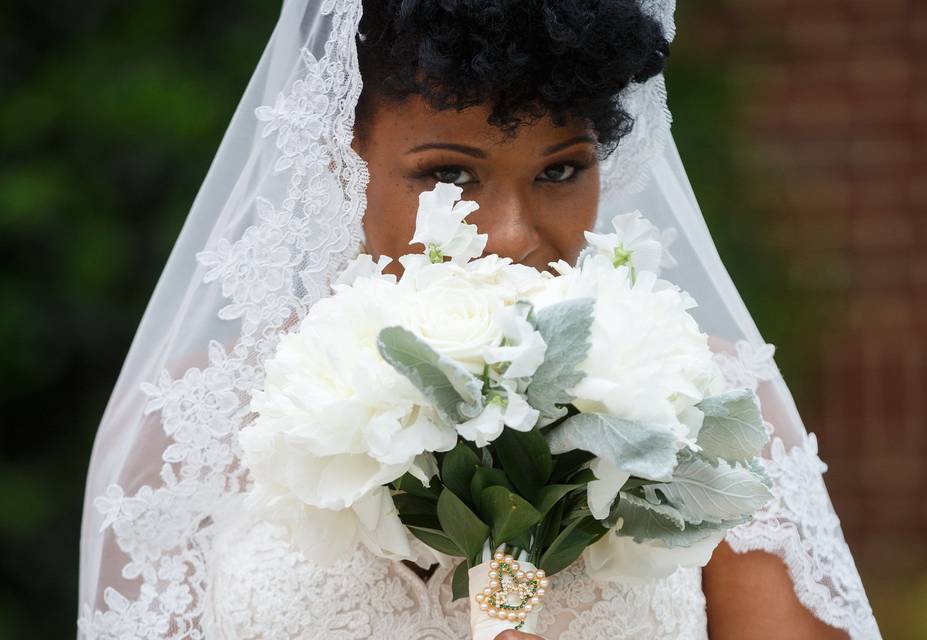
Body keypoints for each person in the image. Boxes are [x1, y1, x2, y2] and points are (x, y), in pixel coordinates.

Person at [77, 2, 882, 639]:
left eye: (561, 169)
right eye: (450, 174)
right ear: (338, 157)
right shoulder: (190, 422)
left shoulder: (696, 401)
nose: (509, 234)